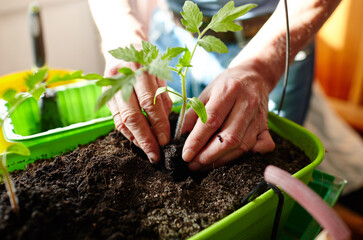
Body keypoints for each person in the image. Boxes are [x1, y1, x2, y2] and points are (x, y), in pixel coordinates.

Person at [88, 0, 341, 170]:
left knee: (262, 158)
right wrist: (120, 32)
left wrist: (261, 68)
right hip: (171, 32)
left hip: (275, 38)